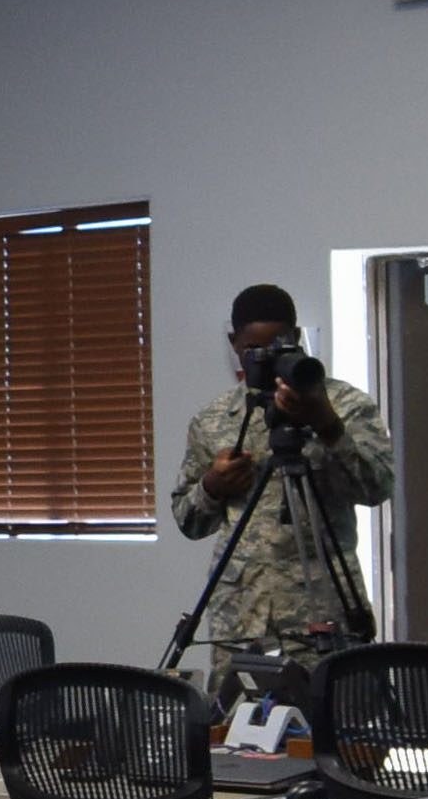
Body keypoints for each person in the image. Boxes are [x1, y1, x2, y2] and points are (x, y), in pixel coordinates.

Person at [167, 282, 391, 686]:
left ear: (297, 338)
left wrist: (327, 426)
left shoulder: (346, 405)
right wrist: (212, 486)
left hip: (324, 613)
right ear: (234, 343)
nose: (267, 358)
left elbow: (376, 487)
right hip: (240, 618)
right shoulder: (214, 420)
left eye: (279, 344)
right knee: (232, 740)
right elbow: (188, 521)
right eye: (254, 348)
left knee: (333, 732)